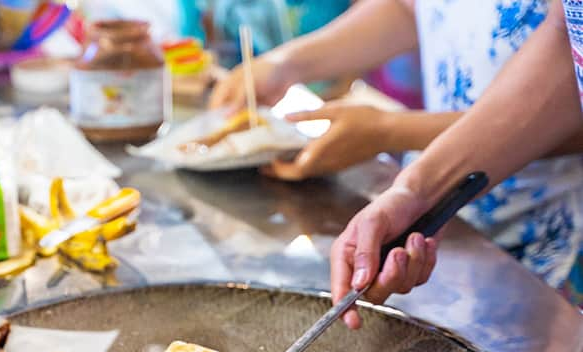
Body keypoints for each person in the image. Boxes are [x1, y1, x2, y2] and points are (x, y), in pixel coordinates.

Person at [210, 0, 583, 312]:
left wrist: (391, 133)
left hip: (559, 246)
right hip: (458, 224)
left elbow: (570, 74)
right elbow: (410, 7)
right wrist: (288, 63)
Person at [328, 3, 583, 327]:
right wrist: (416, 191)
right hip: (478, 248)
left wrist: (389, 132)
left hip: (558, 240)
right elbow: (566, 35)